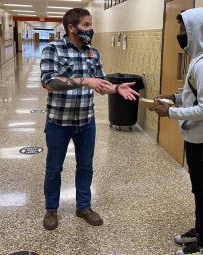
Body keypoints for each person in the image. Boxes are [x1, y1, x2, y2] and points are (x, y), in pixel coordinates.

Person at [40, 8, 140, 230]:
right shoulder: (52, 49)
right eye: (85, 25)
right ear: (71, 28)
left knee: (85, 166)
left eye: (90, 25)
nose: (90, 30)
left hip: (86, 122)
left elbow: (100, 84)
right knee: (54, 167)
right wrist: (84, 80)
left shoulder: (93, 53)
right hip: (59, 122)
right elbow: (48, 83)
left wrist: (115, 88)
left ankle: (83, 206)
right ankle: (51, 209)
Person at [151, 7, 203, 255]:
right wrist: (174, 97)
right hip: (195, 135)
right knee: (197, 187)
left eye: (183, 28)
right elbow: (194, 97)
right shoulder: (197, 60)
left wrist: (171, 113)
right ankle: (200, 228)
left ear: (195, 29)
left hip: (202, 138)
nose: (180, 33)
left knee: (202, 189)